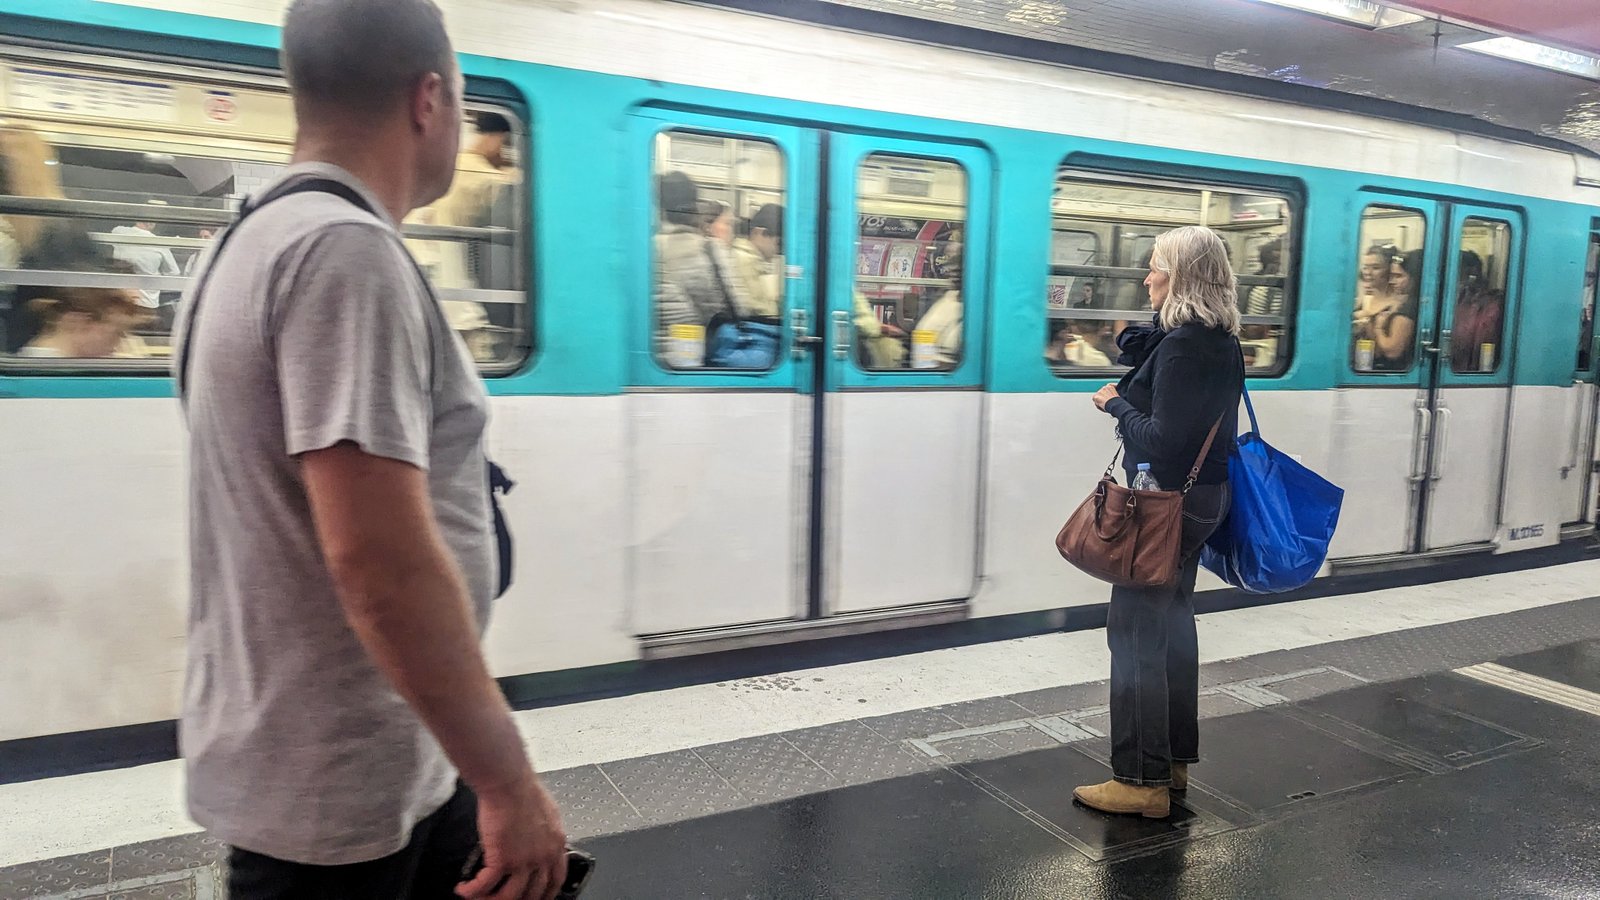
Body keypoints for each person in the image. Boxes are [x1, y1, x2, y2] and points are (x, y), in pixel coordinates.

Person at [175, 2, 567, 898]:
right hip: (341, 789)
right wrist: (508, 781)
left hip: (375, 758)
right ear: (429, 100)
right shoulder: (344, 254)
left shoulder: (249, 238)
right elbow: (378, 562)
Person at [1076, 225, 1243, 819]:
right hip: (1201, 501)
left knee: (1136, 634)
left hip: (1164, 504)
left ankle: (1140, 782)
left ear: (1184, 278)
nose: (1147, 278)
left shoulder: (1180, 347)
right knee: (1172, 628)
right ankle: (1170, 764)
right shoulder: (1220, 339)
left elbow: (1164, 440)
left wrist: (1113, 404)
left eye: (1157, 269)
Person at [654, 170, 734, 367]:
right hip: (696, 358)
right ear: (695, 206)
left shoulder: (647, 248)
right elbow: (732, 306)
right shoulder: (709, 249)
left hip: (654, 357)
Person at [1352, 246, 1419, 372]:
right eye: (1366, 267)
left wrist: (1369, 324)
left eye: (1375, 268)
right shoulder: (1364, 300)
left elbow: (1389, 351)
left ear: (1388, 270)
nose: (1368, 272)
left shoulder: (1399, 305)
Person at [110, 220, 180, 308]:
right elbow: (173, 273)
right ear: (153, 224)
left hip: (120, 301)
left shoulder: (119, 232)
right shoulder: (160, 244)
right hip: (147, 302)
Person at [731, 203, 783, 319]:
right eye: (778, 243)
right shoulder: (745, 260)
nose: (777, 251)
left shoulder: (753, 260)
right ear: (758, 233)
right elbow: (760, 311)